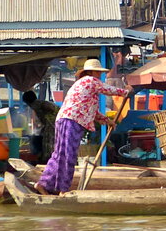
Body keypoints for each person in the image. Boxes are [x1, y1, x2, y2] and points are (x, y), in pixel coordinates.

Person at [36, 59, 131, 196]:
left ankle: (44, 184)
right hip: (71, 121)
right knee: (68, 155)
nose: (99, 75)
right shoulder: (90, 81)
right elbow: (109, 90)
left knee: (60, 155)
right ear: (91, 72)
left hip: (66, 119)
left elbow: (92, 111)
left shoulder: (84, 85)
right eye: (98, 72)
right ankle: (63, 190)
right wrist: (125, 91)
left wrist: (108, 121)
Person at [22, 90, 59, 164]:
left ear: (28, 102)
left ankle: (47, 161)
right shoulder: (42, 103)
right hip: (56, 124)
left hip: (52, 125)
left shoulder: (36, 105)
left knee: (47, 144)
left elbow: (45, 119)